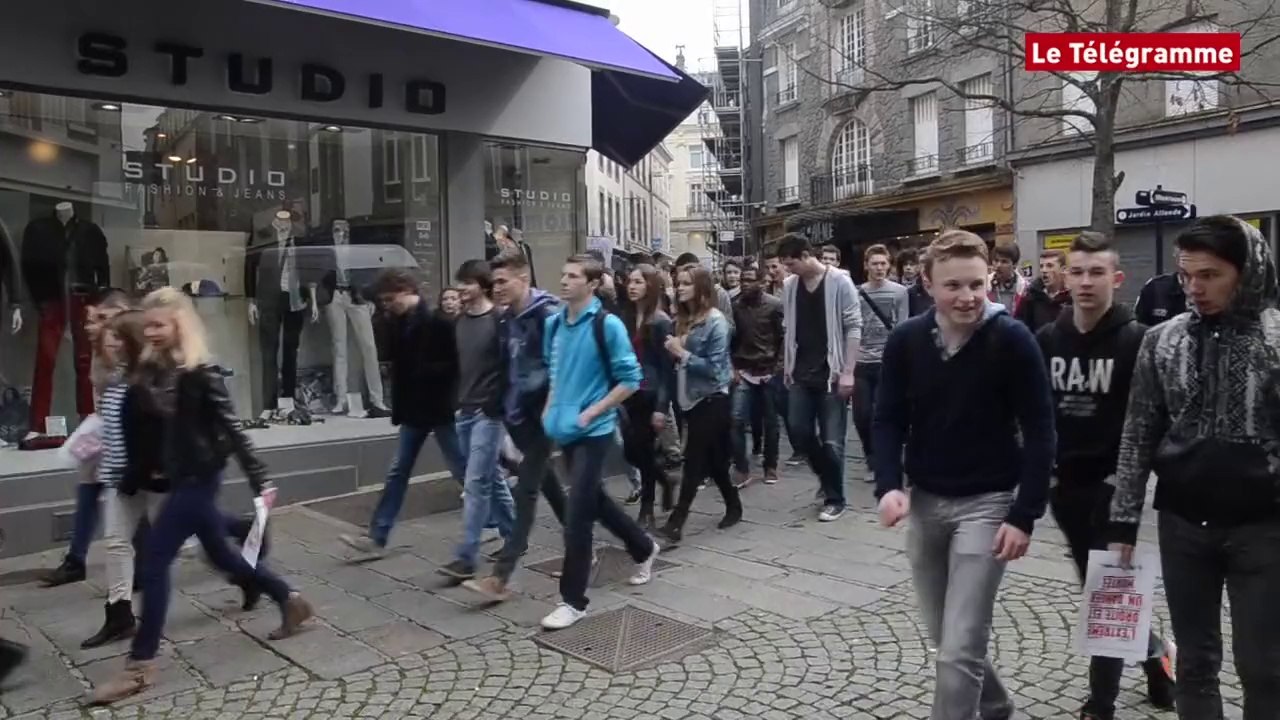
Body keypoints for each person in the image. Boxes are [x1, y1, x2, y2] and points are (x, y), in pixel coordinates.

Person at [91, 289, 312, 705]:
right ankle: (289, 598)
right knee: (224, 557)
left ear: (179, 325)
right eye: (148, 325)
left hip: (199, 479)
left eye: (160, 324)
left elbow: (234, 429)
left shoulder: (200, 373)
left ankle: (140, 664)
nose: (151, 332)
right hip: (180, 477)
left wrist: (260, 481)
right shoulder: (157, 370)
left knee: (155, 561)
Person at [874, 229, 1056, 720]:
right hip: (927, 502)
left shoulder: (1012, 340)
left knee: (959, 649)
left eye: (977, 284)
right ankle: (996, 706)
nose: (968, 296)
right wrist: (889, 484)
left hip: (989, 502)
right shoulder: (907, 341)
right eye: (954, 285)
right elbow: (888, 417)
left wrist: (1024, 515)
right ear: (927, 283)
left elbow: (1041, 429)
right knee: (945, 636)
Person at [1109, 216, 1280, 720]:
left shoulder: (1276, 340)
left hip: (1264, 528)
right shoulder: (1162, 340)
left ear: (1246, 272)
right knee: (1196, 662)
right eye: (1186, 275)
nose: (1194, 288)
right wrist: (1123, 520)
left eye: (1209, 275)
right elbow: (1138, 432)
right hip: (1183, 525)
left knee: (1265, 665)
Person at [1035, 233, 1176, 720]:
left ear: (1116, 279)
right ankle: (1157, 657)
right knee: (1098, 591)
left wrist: (1124, 496)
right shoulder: (1048, 339)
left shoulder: (1136, 341)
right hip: (1064, 489)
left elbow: (1151, 427)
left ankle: (1101, 705)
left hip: (1114, 490)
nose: (1086, 281)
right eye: (1077, 271)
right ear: (1063, 277)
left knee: (1107, 596)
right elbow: (1035, 414)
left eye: (1097, 272)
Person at [539, 255, 659, 631]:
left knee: (577, 514)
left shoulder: (608, 326)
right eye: (563, 274)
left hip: (595, 430)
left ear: (592, 284)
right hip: (566, 427)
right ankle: (642, 546)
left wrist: (593, 412)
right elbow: (555, 373)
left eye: (573, 276)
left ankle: (573, 600)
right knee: (597, 501)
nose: (563, 281)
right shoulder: (553, 326)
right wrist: (548, 409)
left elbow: (630, 379)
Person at [462, 249, 567, 601]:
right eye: (493, 283)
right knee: (552, 487)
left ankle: (501, 576)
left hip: (543, 419)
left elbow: (559, 369)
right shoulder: (506, 319)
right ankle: (591, 541)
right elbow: (506, 367)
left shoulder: (548, 315)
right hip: (517, 416)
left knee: (526, 491)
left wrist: (551, 410)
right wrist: (496, 407)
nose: (497, 289)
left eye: (503, 281)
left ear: (524, 278)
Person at [340, 270, 465, 556]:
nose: (387, 305)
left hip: (439, 406)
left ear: (408, 291)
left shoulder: (438, 323)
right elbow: (391, 362)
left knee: (463, 466)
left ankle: (501, 521)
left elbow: (456, 365)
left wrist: (427, 373)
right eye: (383, 301)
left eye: (390, 299)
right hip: (413, 411)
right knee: (398, 471)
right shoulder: (395, 323)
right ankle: (377, 535)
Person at [42, 288, 134, 587]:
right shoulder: (98, 347)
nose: (90, 325)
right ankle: (76, 559)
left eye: (99, 318)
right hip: (105, 433)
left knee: (164, 509)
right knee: (88, 493)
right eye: (89, 320)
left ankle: (234, 528)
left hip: (128, 437)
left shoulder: (126, 348)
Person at [435, 260, 516, 579]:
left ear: (482, 286)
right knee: (491, 477)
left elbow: (510, 367)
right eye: (459, 283)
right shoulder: (458, 323)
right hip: (464, 412)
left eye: (467, 283)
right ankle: (514, 537)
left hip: (489, 413)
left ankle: (467, 556)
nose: (460, 289)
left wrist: (497, 405)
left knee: (475, 482)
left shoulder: (499, 320)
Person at [777, 234, 860, 521]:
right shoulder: (790, 286)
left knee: (832, 441)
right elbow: (789, 326)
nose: (789, 270)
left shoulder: (839, 281)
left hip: (831, 372)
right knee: (799, 430)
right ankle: (826, 478)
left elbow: (853, 326)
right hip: (800, 371)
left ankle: (835, 498)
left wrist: (848, 371)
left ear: (805, 256)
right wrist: (787, 364)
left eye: (792, 264)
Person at [657, 264, 741, 543]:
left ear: (701, 288)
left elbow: (716, 370)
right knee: (715, 462)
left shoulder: (715, 322)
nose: (679, 287)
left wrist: (681, 353)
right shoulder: (683, 318)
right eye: (677, 282)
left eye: (685, 283)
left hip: (713, 398)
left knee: (693, 459)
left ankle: (676, 521)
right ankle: (733, 504)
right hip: (689, 400)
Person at [619, 263, 677, 528]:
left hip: (651, 394)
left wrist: (662, 408)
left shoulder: (661, 321)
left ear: (651, 286)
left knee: (642, 449)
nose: (632, 286)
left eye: (639, 282)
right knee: (632, 451)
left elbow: (667, 370)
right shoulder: (627, 317)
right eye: (630, 281)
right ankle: (665, 480)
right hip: (629, 392)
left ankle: (648, 507)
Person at [853, 244, 909, 479]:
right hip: (861, 361)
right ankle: (870, 456)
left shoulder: (899, 292)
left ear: (889, 265)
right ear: (866, 265)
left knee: (884, 413)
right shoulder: (857, 291)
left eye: (883, 263)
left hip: (887, 361)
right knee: (862, 416)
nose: (879, 268)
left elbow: (903, 325)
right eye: (874, 263)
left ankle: (885, 458)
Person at [730, 261, 783, 486]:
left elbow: (783, 338)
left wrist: (778, 368)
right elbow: (730, 340)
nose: (745, 285)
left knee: (771, 422)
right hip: (743, 370)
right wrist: (733, 368)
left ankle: (770, 465)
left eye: (750, 280)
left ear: (762, 282)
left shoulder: (774, 305)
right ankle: (742, 468)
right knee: (736, 420)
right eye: (743, 280)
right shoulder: (734, 306)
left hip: (769, 370)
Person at [761, 242, 802, 464]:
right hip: (774, 353)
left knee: (788, 405)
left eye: (775, 267)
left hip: (791, 353)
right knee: (777, 405)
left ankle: (801, 446)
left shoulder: (792, 287)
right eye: (769, 268)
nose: (772, 272)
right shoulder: (768, 291)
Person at [1017, 249, 1071, 333]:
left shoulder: (1072, 297)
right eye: (1041, 266)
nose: (1044, 270)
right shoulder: (1031, 296)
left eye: (1050, 266)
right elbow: (1021, 327)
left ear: (1063, 269)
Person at [988, 244, 1028, 314]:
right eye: (996, 260)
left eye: (1004, 262)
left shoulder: (1024, 288)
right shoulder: (985, 284)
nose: (998, 265)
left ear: (1014, 265)